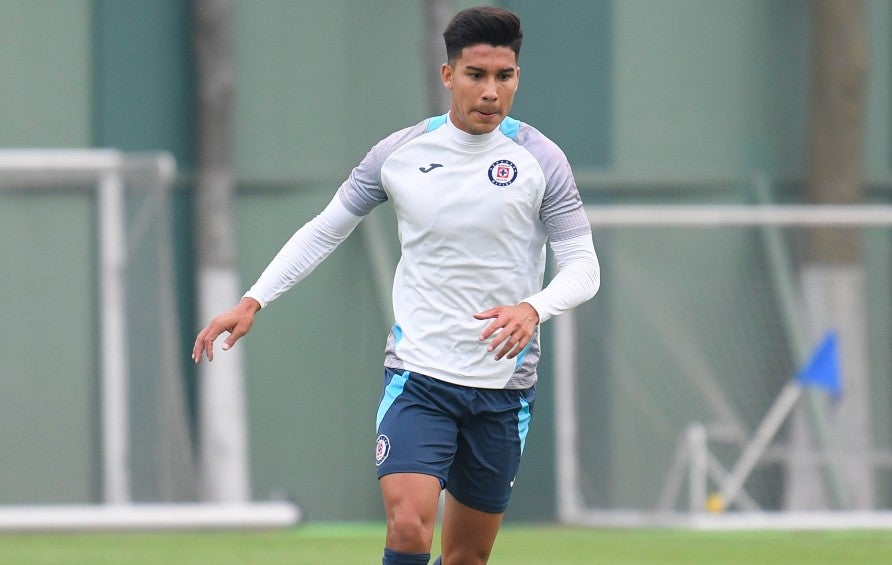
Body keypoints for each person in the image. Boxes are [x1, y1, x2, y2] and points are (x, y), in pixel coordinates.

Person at [192, 6, 599, 564]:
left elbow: (583, 269)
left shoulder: (541, 160)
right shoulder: (398, 155)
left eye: (504, 77)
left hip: (504, 387)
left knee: (466, 557)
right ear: (448, 76)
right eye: (476, 75)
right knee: (408, 527)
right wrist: (253, 298)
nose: (490, 92)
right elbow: (324, 230)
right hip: (420, 376)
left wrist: (534, 307)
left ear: (517, 78)